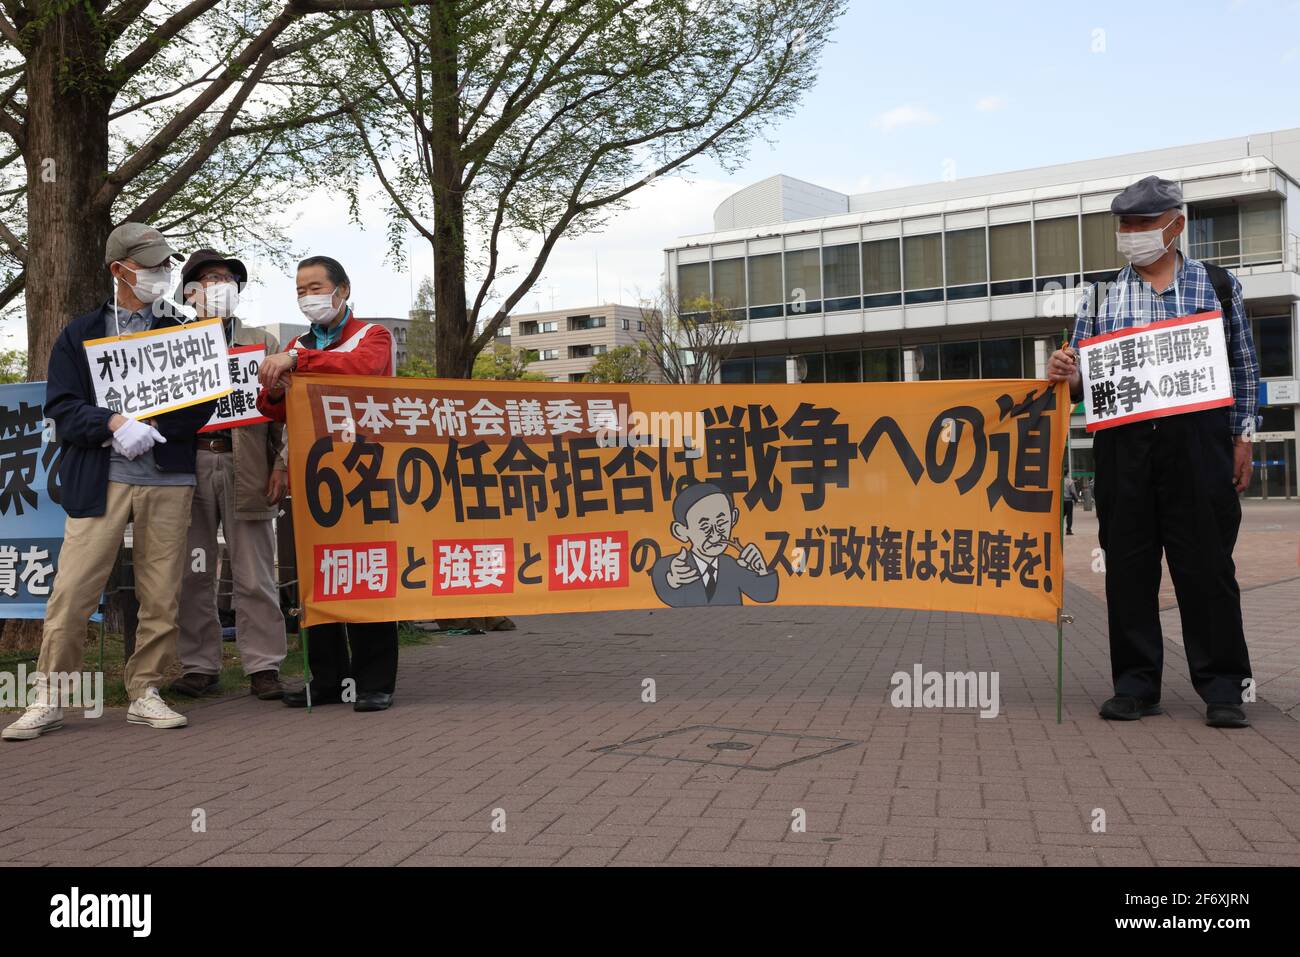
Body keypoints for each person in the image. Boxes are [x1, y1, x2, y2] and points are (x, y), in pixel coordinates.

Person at [1047, 175, 1258, 729]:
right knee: (1129, 566)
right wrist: (1064, 375)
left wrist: (1244, 437)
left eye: (1143, 224)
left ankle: (1223, 688)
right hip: (1124, 443)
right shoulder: (1098, 294)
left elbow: (1243, 365)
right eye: (1125, 225)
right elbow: (1080, 381)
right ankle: (1136, 684)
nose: (1132, 234)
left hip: (1199, 440)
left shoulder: (1216, 284)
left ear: (1175, 224)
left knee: (1207, 565)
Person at [3, 224, 217, 741]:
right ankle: (49, 697)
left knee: (161, 591)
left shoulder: (181, 330)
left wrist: (157, 429)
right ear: (119, 269)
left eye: (165, 264)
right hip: (100, 478)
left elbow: (203, 399)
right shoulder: (79, 335)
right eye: (151, 265)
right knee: (74, 589)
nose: (161, 274)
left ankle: (146, 690)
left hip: (168, 477)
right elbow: (61, 407)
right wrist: (114, 424)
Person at [255, 256, 399, 712]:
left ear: (342, 289)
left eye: (315, 287)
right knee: (317, 576)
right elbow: (274, 408)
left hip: (365, 473)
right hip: (314, 474)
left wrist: (296, 360)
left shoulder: (372, 336)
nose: (307, 297)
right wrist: (276, 388)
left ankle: (374, 680)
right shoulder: (296, 342)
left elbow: (360, 370)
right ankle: (328, 679)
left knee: (366, 571)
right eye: (300, 290)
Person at [171, 250, 289, 701]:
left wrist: (281, 464)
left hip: (250, 465)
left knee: (255, 572)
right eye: (209, 279)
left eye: (227, 279)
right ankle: (199, 664)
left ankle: (264, 666)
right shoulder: (169, 342)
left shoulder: (263, 343)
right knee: (193, 570)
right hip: (189, 467)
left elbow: (285, 413)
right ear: (190, 292)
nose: (220, 286)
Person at [650, 482, 778, 607]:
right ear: (681, 531)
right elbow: (662, 576)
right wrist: (672, 580)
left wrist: (761, 571)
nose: (716, 534)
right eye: (705, 526)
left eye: (721, 523)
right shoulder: (678, 567)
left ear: (733, 518)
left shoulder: (732, 565)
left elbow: (766, 595)